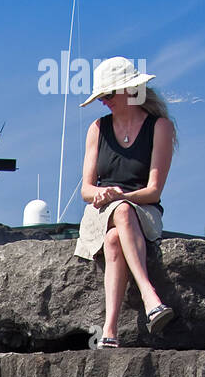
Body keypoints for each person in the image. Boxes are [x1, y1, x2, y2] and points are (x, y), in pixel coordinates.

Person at [75, 56, 177, 348]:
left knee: (115, 238)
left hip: (143, 210)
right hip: (100, 211)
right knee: (117, 218)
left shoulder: (160, 127)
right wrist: (102, 195)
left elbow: (154, 191)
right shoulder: (97, 128)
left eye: (108, 95)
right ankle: (150, 298)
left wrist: (121, 197)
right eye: (101, 96)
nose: (104, 102)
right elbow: (86, 189)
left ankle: (110, 330)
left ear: (129, 91)